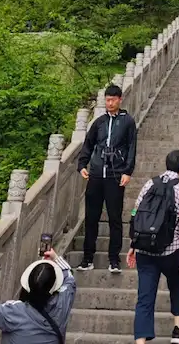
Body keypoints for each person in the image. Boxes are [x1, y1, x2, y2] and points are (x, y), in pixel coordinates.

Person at [127, 150, 179, 344]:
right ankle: (177, 329)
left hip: (145, 249)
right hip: (169, 251)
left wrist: (133, 243)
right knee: (176, 284)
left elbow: (136, 212)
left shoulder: (150, 183)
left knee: (144, 297)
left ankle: (140, 341)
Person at [77, 84, 137, 272]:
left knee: (115, 218)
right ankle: (87, 258)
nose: (109, 103)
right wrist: (82, 164)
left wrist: (127, 171)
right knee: (91, 217)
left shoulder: (128, 122)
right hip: (96, 175)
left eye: (112, 100)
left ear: (120, 99)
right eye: (107, 100)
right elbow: (88, 144)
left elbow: (132, 147)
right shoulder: (99, 122)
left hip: (115, 175)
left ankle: (114, 259)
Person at [0, 250, 75, 342]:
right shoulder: (63, 303)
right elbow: (70, 279)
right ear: (54, 286)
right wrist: (56, 258)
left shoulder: (15, 312)